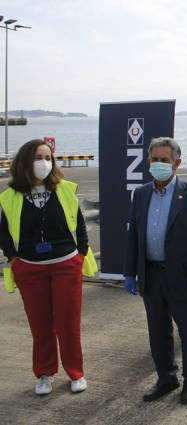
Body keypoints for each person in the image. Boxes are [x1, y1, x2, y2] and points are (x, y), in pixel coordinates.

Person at [0, 139, 97, 395]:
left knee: (68, 324)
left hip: (65, 265)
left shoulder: (64, 189)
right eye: (37, 157)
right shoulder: (10, 197)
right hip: (30, 269)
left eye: (47, 157)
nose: (43, 162)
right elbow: (4, 233)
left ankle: (76, 373)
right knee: (40, 325)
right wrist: (14, 260)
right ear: (24, 162)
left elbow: (78, 225)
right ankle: (44, 373)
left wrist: (80, 255)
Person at [124, 137, 187, 405]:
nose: (159, 164)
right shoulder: (140, 194)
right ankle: (166, 377)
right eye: (155, 159)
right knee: (157, 330)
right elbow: (134, 237)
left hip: (182, 277)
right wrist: (130, 272)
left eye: (165, 160)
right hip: (151, 274)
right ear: (148, 161)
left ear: (177, 163)